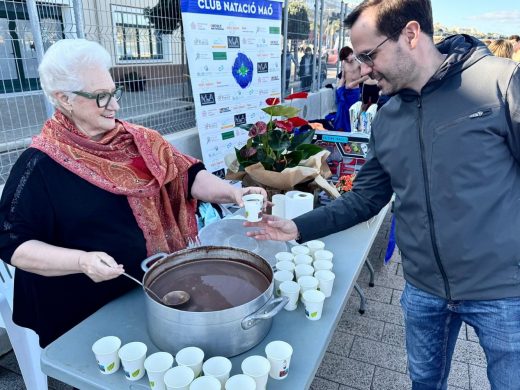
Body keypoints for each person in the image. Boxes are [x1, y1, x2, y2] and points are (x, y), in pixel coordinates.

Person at [245, 0, 520, 388]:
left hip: (504, 292)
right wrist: (296, 227)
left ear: (410, 34)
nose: (363, 70)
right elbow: (365, 199)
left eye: (369, 55)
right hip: (424, 291)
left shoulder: (498, 83)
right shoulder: (388, 118)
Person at [0, 39, 267, 348]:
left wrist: (232, 193)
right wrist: (81, 261)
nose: (115, 105)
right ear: (64, 99)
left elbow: (185, 174)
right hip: (81, 307)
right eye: (101, 97)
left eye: (114, 92)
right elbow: (12, 242)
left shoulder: (139, 141)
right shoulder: (40, 165)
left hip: (151, 286)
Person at [333, 46, 362, 132]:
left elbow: (367, 76)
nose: (346, 60)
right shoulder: (344, 63)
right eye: (344, 59)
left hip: (354, 91)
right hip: (345, 90)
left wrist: (355, 83)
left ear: (351, 54)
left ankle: (352, 130)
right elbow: (343, 77)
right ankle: (341, 130)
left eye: (346, 58)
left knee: (352, 112)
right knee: (342, 112)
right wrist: (339, 87)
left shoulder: (358, 63)